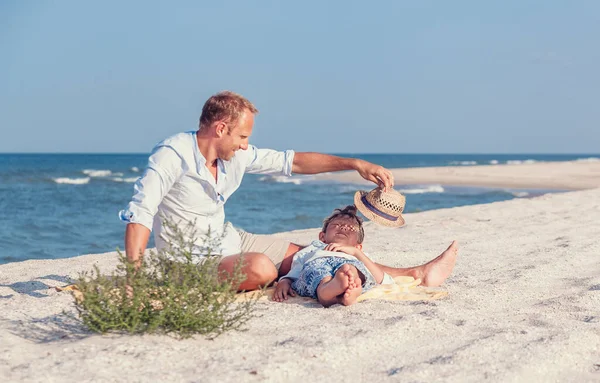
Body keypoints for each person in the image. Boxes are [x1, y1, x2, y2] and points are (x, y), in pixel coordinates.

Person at [120, 90, 457, 291]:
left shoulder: (233, 156)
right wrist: (133, 280)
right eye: (242, 137)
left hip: (228, 240)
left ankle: (415, 274)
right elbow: (141, 214)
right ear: (221, 128)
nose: (244, 145)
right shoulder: (172, 155)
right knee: (262, 269)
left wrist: (354, 163)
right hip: (189, 263)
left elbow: (293, 162)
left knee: (320, 253)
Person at [273, 205, 393, 307]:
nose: (344, 227)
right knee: (319, 274)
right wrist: (285, 280)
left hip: (348, 263)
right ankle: (334, 288)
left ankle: (344, 288)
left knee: (351, 269)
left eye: (351, 228)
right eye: (336, 225)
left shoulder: (358, 255)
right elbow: (298, 266)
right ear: (322, 237)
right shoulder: (314, 248)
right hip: (319, 263)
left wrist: (356, 253)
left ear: (358, 246)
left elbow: (381, 279)